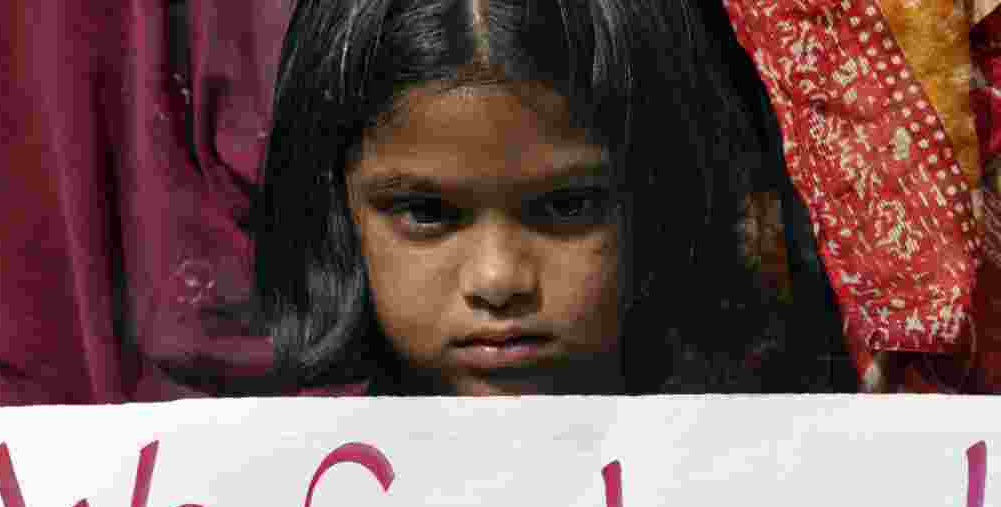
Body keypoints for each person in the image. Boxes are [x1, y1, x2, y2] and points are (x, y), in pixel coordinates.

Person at [242, 0, 856, 397]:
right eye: (426, 213)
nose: (498, 280)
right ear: (334, 208)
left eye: (567, 206)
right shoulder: (275, 502)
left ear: (664, 194)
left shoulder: (767, 479)